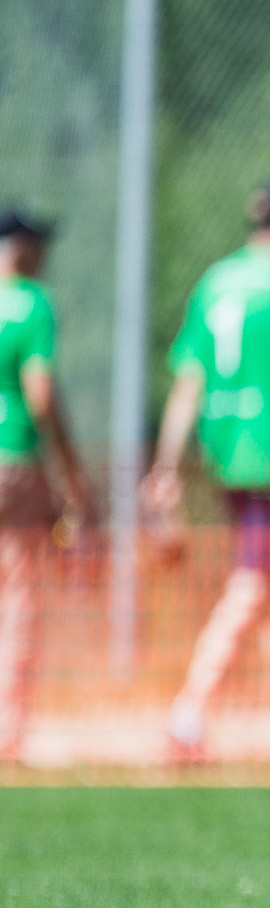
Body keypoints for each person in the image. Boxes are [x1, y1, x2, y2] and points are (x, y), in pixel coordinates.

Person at [146, 183, 270, 764]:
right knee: (255, 583)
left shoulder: (216, 281)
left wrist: (166, 466)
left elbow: (187, 383)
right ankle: (189, 711)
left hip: (222, 450)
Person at [0, 211, 94, 759]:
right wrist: (70, 473)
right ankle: (9, 731)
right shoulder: (32, 303)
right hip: (13, 458)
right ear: (22, 247)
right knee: (20, 592)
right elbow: (40, 395)